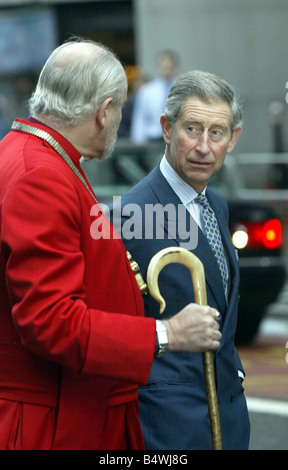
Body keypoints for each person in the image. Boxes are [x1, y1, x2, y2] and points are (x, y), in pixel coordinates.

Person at [0, 39, 221, 450]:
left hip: (68, 406)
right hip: (56, 420)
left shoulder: (32, 155)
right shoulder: (40, 174)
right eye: (119, 109)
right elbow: (51, 321)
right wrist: (165, 333)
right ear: (104, 112)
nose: (118, 120)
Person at [114, 70, 250, 450]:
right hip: (166, 428)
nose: (204, 147)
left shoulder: (217, 205)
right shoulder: (126, 218)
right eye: (192, 129)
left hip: (229, 419)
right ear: (167, 128)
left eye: (217, 133)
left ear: (233, 139)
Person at [130, 51, 178, 143]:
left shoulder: (183, 89)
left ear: (174, 67)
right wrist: (137, 142)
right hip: (152, 139)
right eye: (164, 67)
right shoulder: (147, 91)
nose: (166, 69)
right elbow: (140, 118)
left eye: (169, 67)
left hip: (175, 139)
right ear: (158, 67)